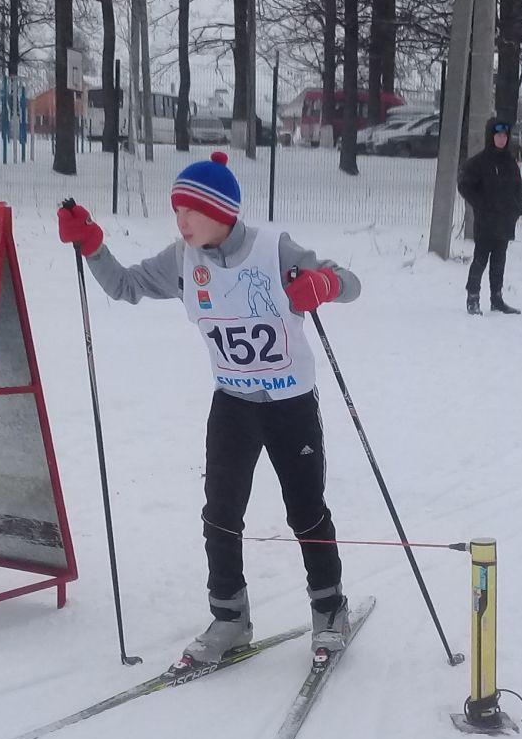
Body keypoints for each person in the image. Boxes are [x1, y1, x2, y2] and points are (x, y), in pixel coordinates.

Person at [55, 152, 361, 664]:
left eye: (190, 211)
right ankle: (229, 619)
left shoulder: (274, 250)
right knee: (220, 513)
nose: (182, 222)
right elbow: (124, 286)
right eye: (177, 211)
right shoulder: (183, 260)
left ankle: (330, 611)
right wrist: (93, 247)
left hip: (290, 404)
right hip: (233, 404)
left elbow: (349, 283)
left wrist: (323, 284)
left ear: (222, 211)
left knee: (306, 510)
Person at [458, 118, 522, 315]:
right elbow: (464, 185)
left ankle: (497, 298)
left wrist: (517, 208)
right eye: (498, 136)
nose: (502, 139)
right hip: (486, 222)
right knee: (480, 259)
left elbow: (517, 188)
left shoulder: (510, 162)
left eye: (505, 136)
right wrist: (481, 205)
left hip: (505, 222)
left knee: (499, 261)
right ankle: (473, 297)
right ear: (491, 137)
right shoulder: (479, 162)